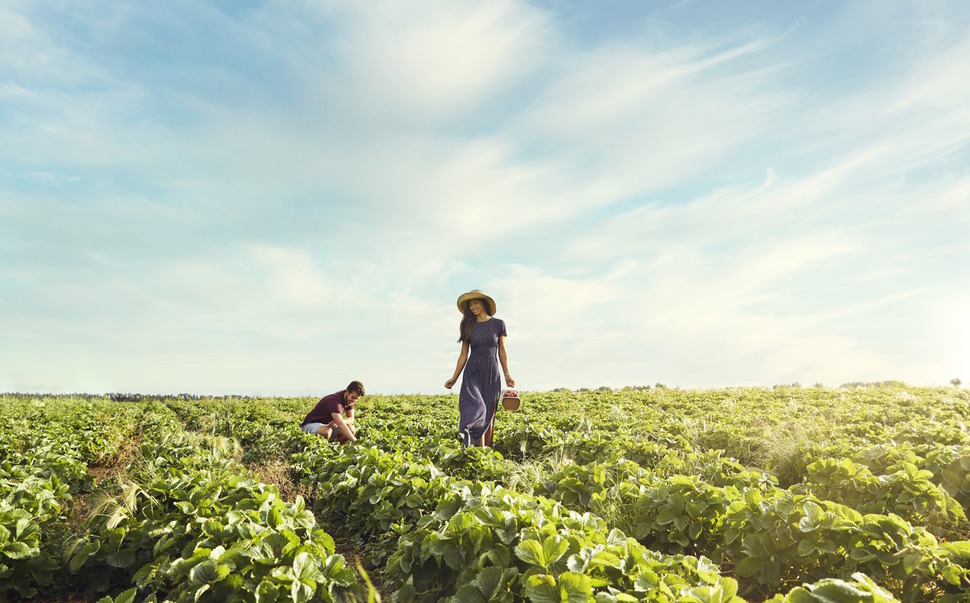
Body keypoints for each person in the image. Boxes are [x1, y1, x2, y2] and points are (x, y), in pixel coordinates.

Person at [445, 289, 514, 447]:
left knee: (489, 414)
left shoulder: (498, 324)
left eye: (475, 303)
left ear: (484, 303)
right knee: (479, 410)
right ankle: (479, 451)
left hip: (491, 372)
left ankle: (486, 453)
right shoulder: (467, 326)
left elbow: (502, 351)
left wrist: (507, 375)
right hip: (473, 373)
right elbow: (463, 354)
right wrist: (454, 377)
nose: (473, 306)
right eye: (470, 305)